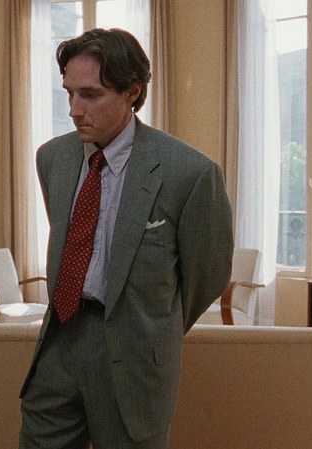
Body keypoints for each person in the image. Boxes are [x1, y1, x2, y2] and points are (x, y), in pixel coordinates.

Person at [19, 29, 233, 449]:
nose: (74, 110)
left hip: (133, 356)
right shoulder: (53, 158)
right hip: (59, 339)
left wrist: (150, 329)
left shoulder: (190, 173)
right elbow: (68, 238)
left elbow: (206, 278)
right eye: (69, 94)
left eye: (90, 95)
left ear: (131, 93)